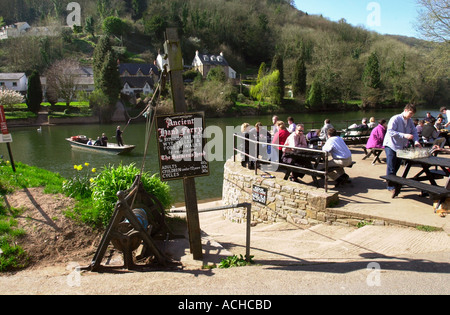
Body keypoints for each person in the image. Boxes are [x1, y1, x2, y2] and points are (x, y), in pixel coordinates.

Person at [383, 104, 421, 192]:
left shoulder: (410, 121)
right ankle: (390, 186)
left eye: (412, 114)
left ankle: (392, 181)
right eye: (410, 113)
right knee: (391, 165)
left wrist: (416, 141)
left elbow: (414, 131)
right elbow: (390, 131)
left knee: (397, 165)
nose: (411, 116)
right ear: (406, 110)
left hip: (401, 146)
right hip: (391, 145)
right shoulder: (395, 118)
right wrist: (404, 135)